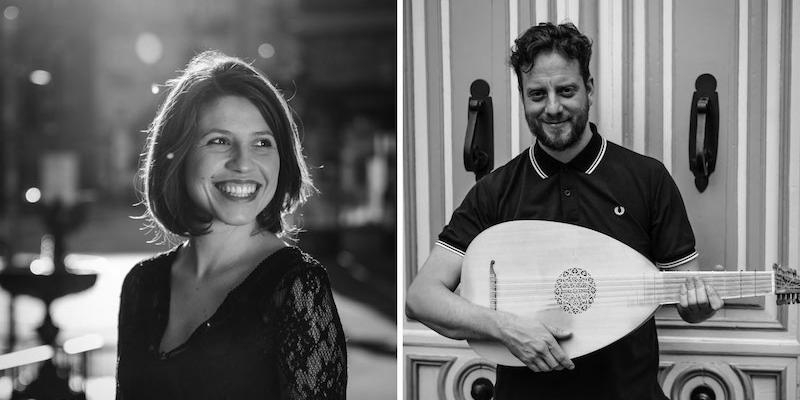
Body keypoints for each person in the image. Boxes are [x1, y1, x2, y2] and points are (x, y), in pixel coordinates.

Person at [406, 22, 724, 400]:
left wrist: (699, 306)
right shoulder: (494, 192)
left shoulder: (646, 178)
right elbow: (421, 297)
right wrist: (506, 328)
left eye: (566, 90)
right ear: (522, 97)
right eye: (537, 94)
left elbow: (686, 295)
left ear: (588, 88)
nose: (553, 107)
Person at [116, 51, 347, 399]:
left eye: (262, 143)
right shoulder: (141, 284)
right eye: (219, 141)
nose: (243, 163)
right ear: (178, 154)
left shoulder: (297, 288)